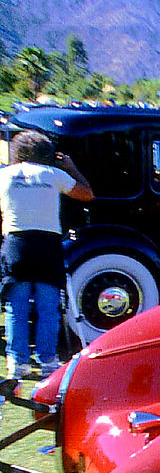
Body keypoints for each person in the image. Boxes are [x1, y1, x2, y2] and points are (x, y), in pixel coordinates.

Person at [0, 131, 93, 379]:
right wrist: (71, 167)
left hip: (16, 242)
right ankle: (48, 359)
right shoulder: (54, 175)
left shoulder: (4, 175)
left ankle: (18, 361)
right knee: (48, 306)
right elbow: (87, 194)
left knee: (15, 306)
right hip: (47, 243)